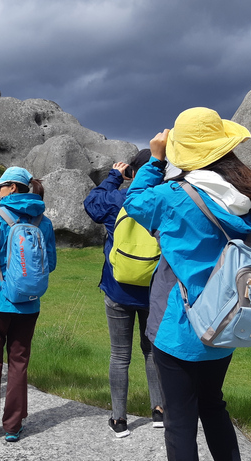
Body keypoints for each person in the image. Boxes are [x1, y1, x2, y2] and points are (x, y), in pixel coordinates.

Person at [123, 107, 251, 461]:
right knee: (213, 405)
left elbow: (134, 200)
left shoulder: (171, 197)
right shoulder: (243, 200)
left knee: (180, 422)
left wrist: (156, 158)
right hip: (227, 323)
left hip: (181, 328)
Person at [83, 149, 164, 438]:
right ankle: (159, 410)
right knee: (152, 351)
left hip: (117, 289)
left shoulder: (118, 198)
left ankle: (119, 419)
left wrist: (113, 178)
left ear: (134, 172)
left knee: (120, 355)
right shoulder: (165, 199)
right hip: (154, 291)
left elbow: (91, 204)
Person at [0, 167, 57, 442]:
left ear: (12, 187)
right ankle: (13, 425)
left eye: (1, 187)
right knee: (19, 362)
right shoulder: (43, 220)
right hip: (29, 302)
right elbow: (51, 263)